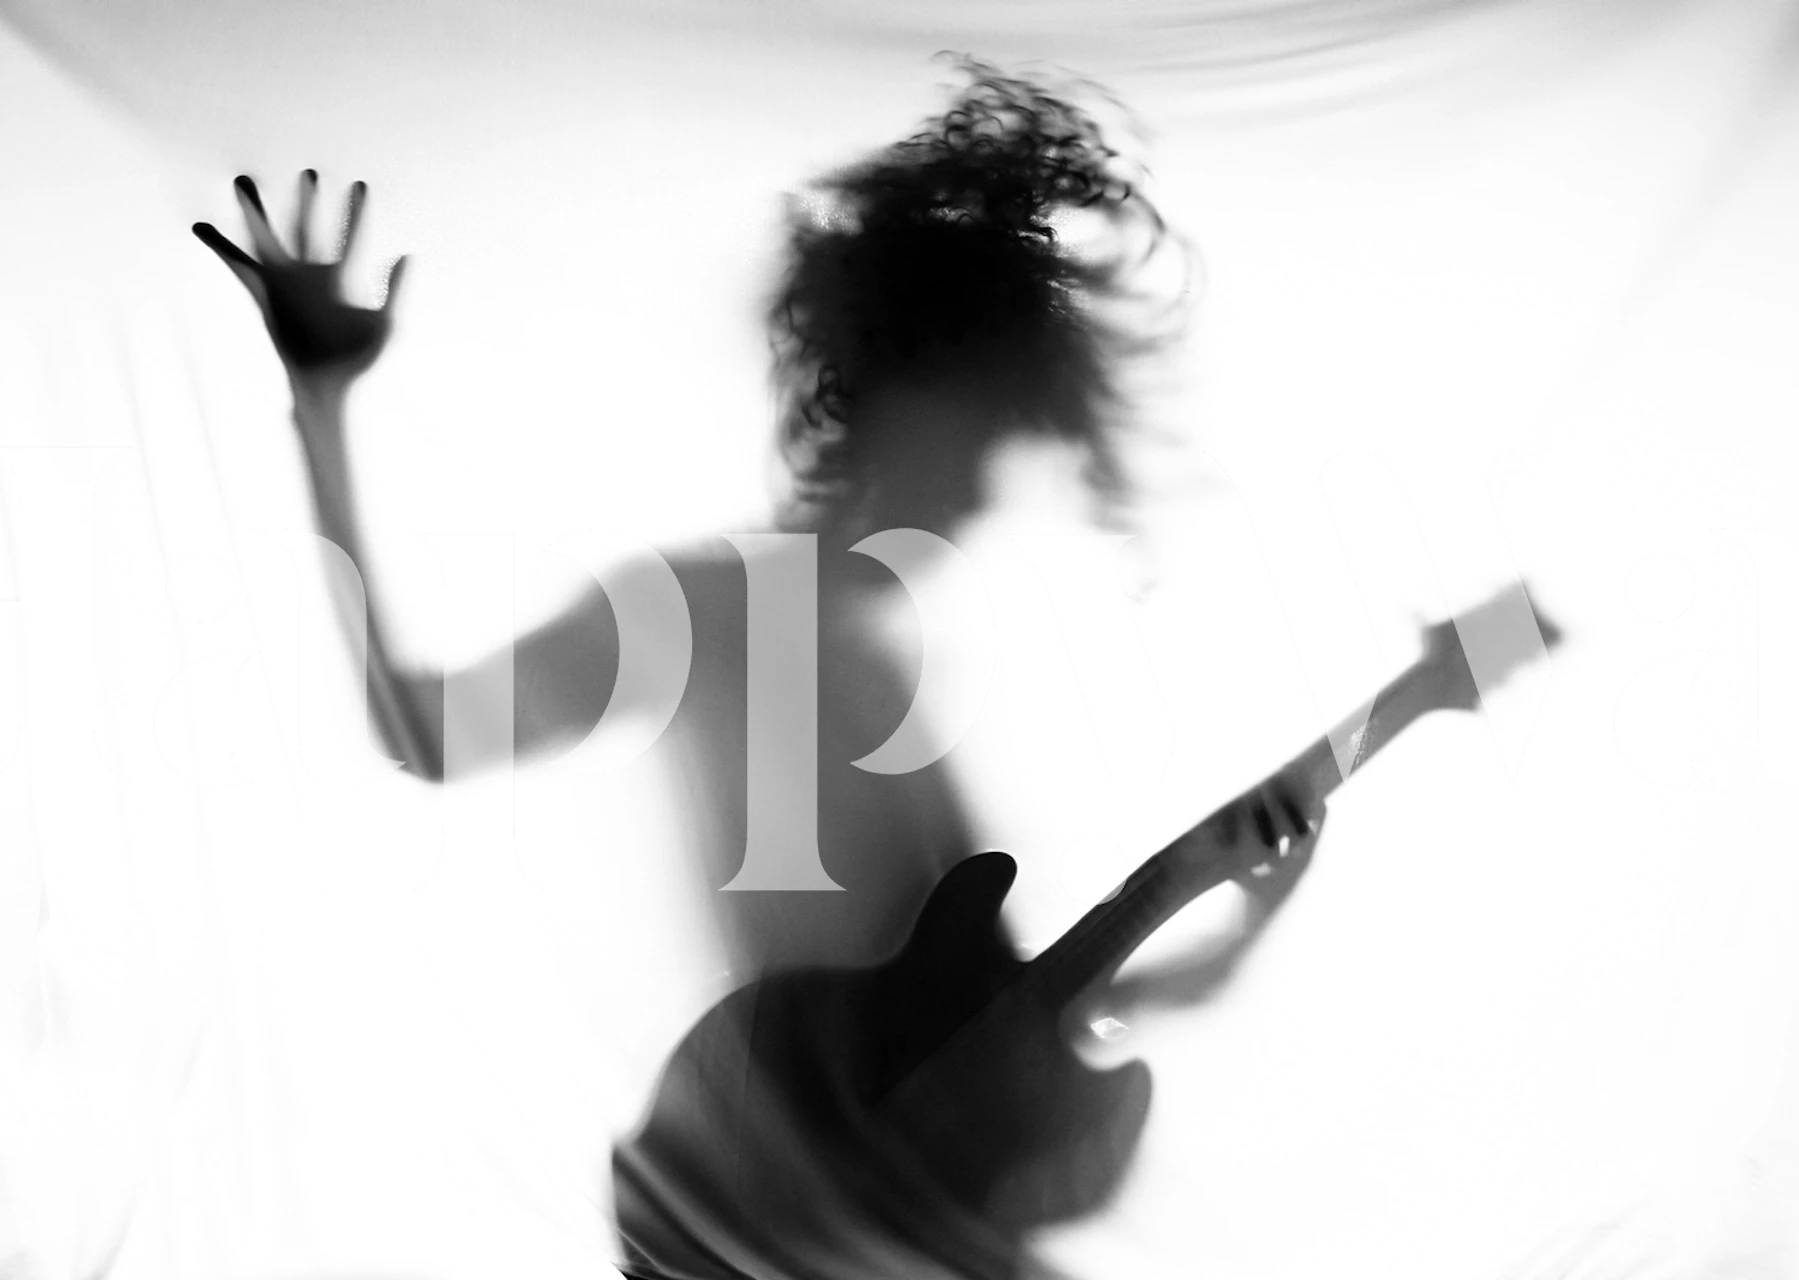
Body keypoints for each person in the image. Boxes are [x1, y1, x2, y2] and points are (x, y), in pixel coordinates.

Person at [195, 57, 1325, 1275]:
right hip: (762, 1212)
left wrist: (1251, 900)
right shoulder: (699, 608)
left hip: (872, 1224)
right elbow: (422, 728)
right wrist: (319, 407)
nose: (988, 486)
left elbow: (1019, 1027)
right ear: (883, 392)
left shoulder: (895, 679)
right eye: (979, 433)